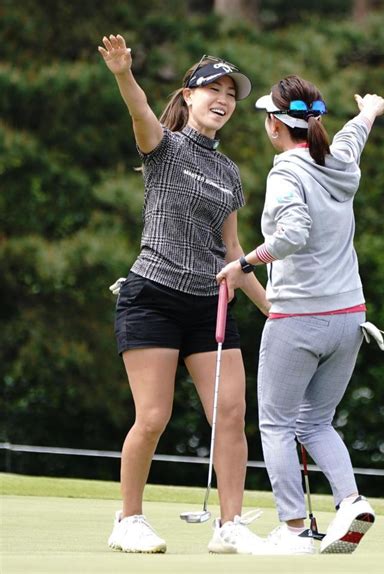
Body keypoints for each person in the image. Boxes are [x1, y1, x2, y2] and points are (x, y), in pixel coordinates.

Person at [98, 34, 270, 555]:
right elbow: (140, 109)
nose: (223, 99)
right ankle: (128, 520)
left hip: (207, 304)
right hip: (152, 296)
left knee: (232, 415)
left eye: (231, 94)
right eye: (212, 89)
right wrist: (124, 73)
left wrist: (277, 310)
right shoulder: (163, 147)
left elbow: (234, 252)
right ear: (189, 96)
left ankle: (231, 525)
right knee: (152, 418)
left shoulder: (229, 173)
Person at [217, 75, 384, 555]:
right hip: (350, 317)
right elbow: (354, 135)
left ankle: (294, 529)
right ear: (313, 122)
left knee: (276, 424)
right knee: (316, 422)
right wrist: (369, 110)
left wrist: (243, 263)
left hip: (299, 318)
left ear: (274, 125)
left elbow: (291, 234)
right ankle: (351, 501)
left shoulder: (286, 172)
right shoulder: (340, 160)